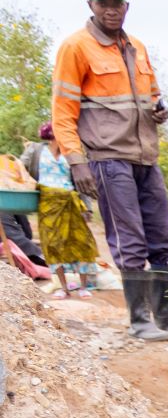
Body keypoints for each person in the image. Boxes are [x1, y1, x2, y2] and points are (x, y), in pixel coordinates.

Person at [51, 0, 168, 342]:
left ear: (127, 6)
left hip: (146, 157)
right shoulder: (76, 47)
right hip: (106, 158)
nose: (110, 9)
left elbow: (153, 97)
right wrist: (76, 162)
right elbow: (62, 112)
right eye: (103, 3)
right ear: (90, 5)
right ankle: (140, 321)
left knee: (163, 238)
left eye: (116, 2)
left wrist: (159, 111)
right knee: (129, 238)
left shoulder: (137, 47)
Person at [24, 123, 101, 298]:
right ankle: (63, 288)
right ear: (52, 135)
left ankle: (83, 286)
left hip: (71, 202)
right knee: (52, 244)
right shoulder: (35, 151)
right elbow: (21, 169)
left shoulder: (72, 154)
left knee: (81, 242)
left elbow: (82, 181)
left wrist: (87, 208)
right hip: (47, 203)